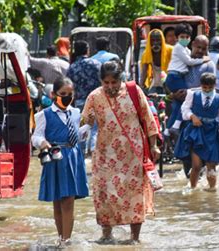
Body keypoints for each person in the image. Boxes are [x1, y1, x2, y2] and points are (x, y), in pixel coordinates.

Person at [81, 61, 160, 243]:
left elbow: (148, 119)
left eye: (114, 82)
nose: (110, 87)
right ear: (101, 81)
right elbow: (84, 125)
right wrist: (88, 121)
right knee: (104, 195)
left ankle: (134, 238)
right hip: (105, 154)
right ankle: (106, 235)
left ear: (120, 79)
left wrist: (154, 145)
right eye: (106, 83)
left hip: (133, 153)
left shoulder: (134, 91)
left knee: (134, 195)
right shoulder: (94, 97)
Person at [32, 77, 89, 247]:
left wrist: (87, 128)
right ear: (53, 94)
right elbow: (36, 135)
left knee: (68, 200)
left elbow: (76, 136)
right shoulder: (44, 114)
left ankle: (66, 241)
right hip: (55, 157)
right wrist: (42, 143)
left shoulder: (76, 113)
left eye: (70, 94)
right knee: (58, 201)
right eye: (63, 94)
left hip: (72, 156)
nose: (67, 97)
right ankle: (62, 238)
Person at [174, 73, 219, 189]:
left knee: (211, 167)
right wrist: (192, 116)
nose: (207, 90)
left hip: (212, 133)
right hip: (196, 132)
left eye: (210, 88)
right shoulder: (193, 95)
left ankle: (212, 191)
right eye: (205, 87)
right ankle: (193, 189)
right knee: (196, 165)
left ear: (214, 86)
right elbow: (184, 109)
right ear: (201, 85)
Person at [165, 23, 209, 132]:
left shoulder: (185, 49)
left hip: (176, 78)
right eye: (182, 37)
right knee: (188, 98)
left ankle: (168, 130)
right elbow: (189, 62)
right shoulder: (179, 47)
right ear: (177, 38)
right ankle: (175, 126)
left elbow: (191, 55)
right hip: (175, 77)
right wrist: (204, 59)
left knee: (179, 104)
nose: (184, 39)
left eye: (187, 37)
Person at [66, 40, 101, 156]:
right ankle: (93, 149)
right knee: (95, 128)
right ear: (87, 50)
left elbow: (69, 86)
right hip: (96, 100)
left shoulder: (72, 67)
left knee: (81, 128)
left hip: (79, 101)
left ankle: (81, 152)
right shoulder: (96, 64)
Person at [140, 29, 173, 94]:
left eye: (158, 40)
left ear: (162, 40)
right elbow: (144, 72)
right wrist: (141, 87)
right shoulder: (146, 53)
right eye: (153, 40)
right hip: (155, 85)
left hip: (170, 84)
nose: (155, 43)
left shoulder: (170, 50)